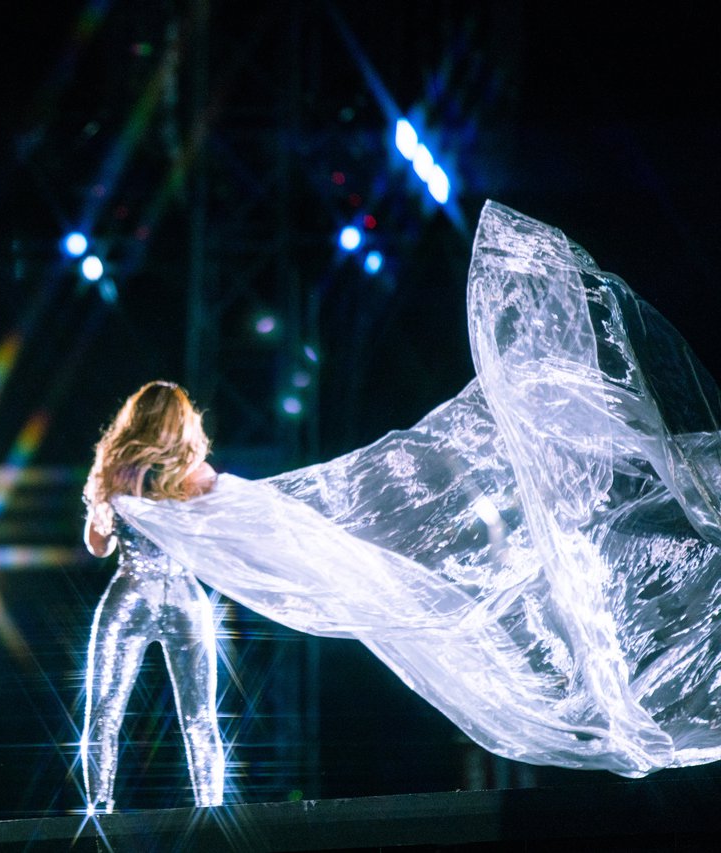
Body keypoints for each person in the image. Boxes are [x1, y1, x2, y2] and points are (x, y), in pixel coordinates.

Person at [112, 201, 721, 780]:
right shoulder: (152, 485)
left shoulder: (177, 485)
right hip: (166, 583)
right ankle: (127, 806)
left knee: (173, 712)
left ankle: (155, 808)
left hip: (192, 578)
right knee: (134, 707)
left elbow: (238, 515)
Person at [79, 380, 225, 814]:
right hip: (184, 596)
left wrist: (104, 500)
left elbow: (98, 546)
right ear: (184, 422)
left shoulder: (114, 467)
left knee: (104, 712)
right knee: (200, 716)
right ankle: (210, 812)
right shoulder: (197, 473)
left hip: (131, 595)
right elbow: (216, 539)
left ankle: (99, 811)